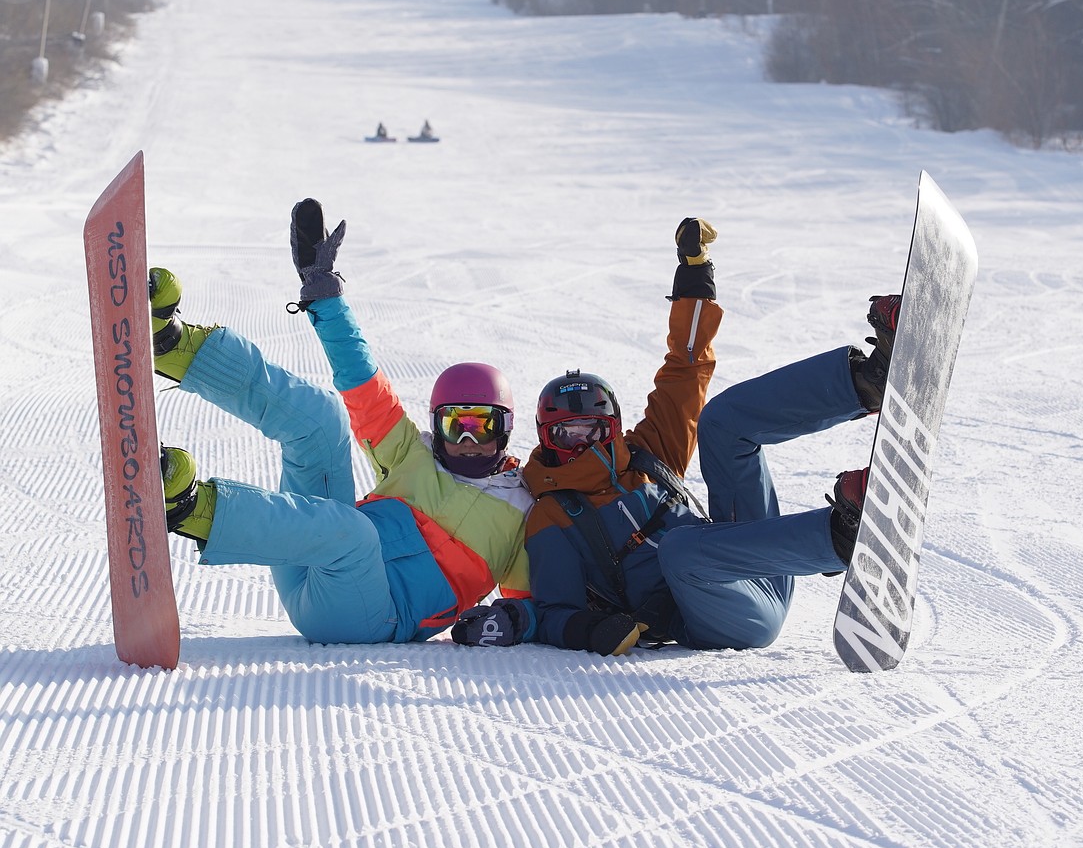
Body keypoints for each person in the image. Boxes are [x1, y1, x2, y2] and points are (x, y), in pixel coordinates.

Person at [453, 218, 902, 656]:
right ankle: (843, 535)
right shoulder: (553, 514)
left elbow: (684, 373)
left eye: (593, 429)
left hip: (754, 560)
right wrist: (590, 630)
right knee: (681, 548)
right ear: (546, 438)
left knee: (722, 420)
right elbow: (554, 609)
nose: (582, 443)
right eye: (566, 434)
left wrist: (694, 276)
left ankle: (868, 381)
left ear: (612, 427)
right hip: (719, 611)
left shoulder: (643, 454)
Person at [151, 198, 532, 646]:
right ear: (437, 424)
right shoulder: (413, 454)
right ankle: (178, 349)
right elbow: (362, 382)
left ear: (504, 428)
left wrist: (510, 622)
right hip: (315, 563)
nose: (468, 439)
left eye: (482, 426)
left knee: (353, 530)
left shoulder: (521, 511)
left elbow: (530, 600)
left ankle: (192, 509)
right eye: (455, 425)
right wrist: (325, 296)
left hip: (374, 615)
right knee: (319, 419)